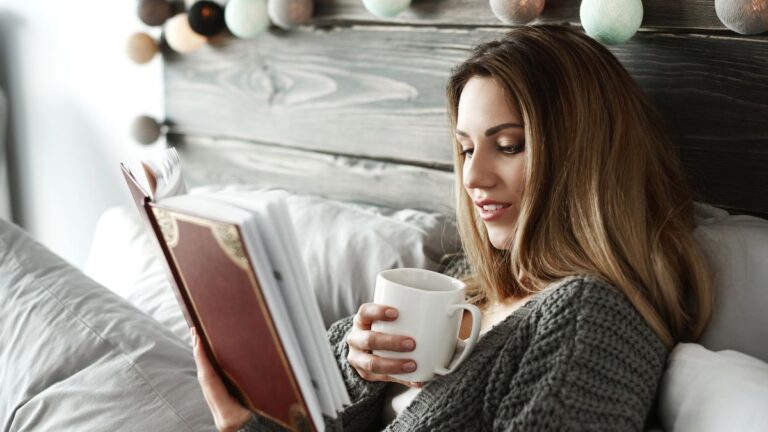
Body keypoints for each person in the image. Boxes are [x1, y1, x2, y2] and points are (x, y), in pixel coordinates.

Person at [192, 24, 714, 431]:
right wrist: (357, 371)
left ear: (586, 156)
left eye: (508, 145)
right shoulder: (468, 286)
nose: (472, 176)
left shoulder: (591, 320)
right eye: (465, 149)